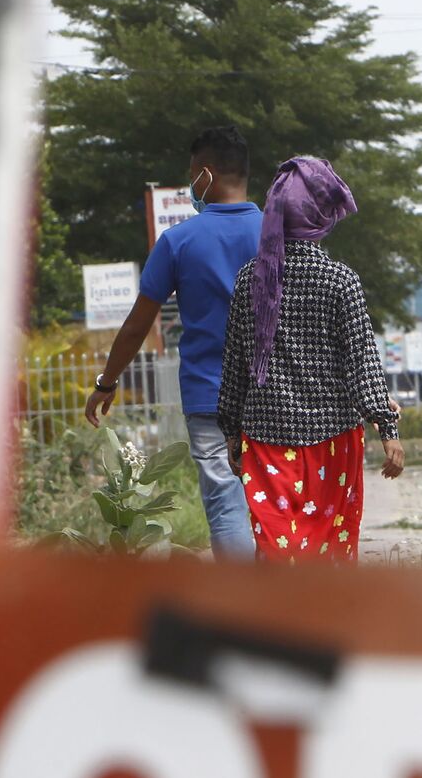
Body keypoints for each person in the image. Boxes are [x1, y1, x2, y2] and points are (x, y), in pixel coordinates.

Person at [86, 125, 263, 558]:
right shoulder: (279, 235)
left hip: (210, 396)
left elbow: (136, 326)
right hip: (274, 393)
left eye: (191, 174)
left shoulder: (178, 242)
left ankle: (242, 609)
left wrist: (107, 382)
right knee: (276, 501)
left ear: (206, 174)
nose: (190, 184)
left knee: (226, 503)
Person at [218, 156, 402, 564]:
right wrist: (387, 429)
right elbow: (362, 364)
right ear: (321, 216)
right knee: (330, 549)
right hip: (333, 443)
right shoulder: (340, 280)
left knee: (277, 552)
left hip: (265, 441)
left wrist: (232, 432)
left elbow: (234, 366)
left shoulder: (250, 280)